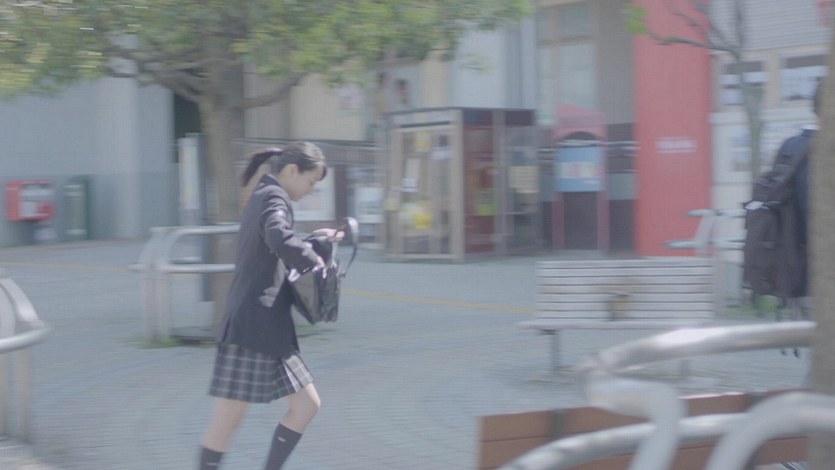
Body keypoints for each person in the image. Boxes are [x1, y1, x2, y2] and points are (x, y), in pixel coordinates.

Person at [199, 142, 341, 469]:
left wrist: (314, 242)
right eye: (310, 182)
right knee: (227, 421)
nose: (311, 190)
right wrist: (315, 262)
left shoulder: (265, 195)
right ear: (292, 171)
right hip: (253, 327)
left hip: (265, 328)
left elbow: (276, 242)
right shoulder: (273, 197)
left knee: (305, 406)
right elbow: (278, 237)